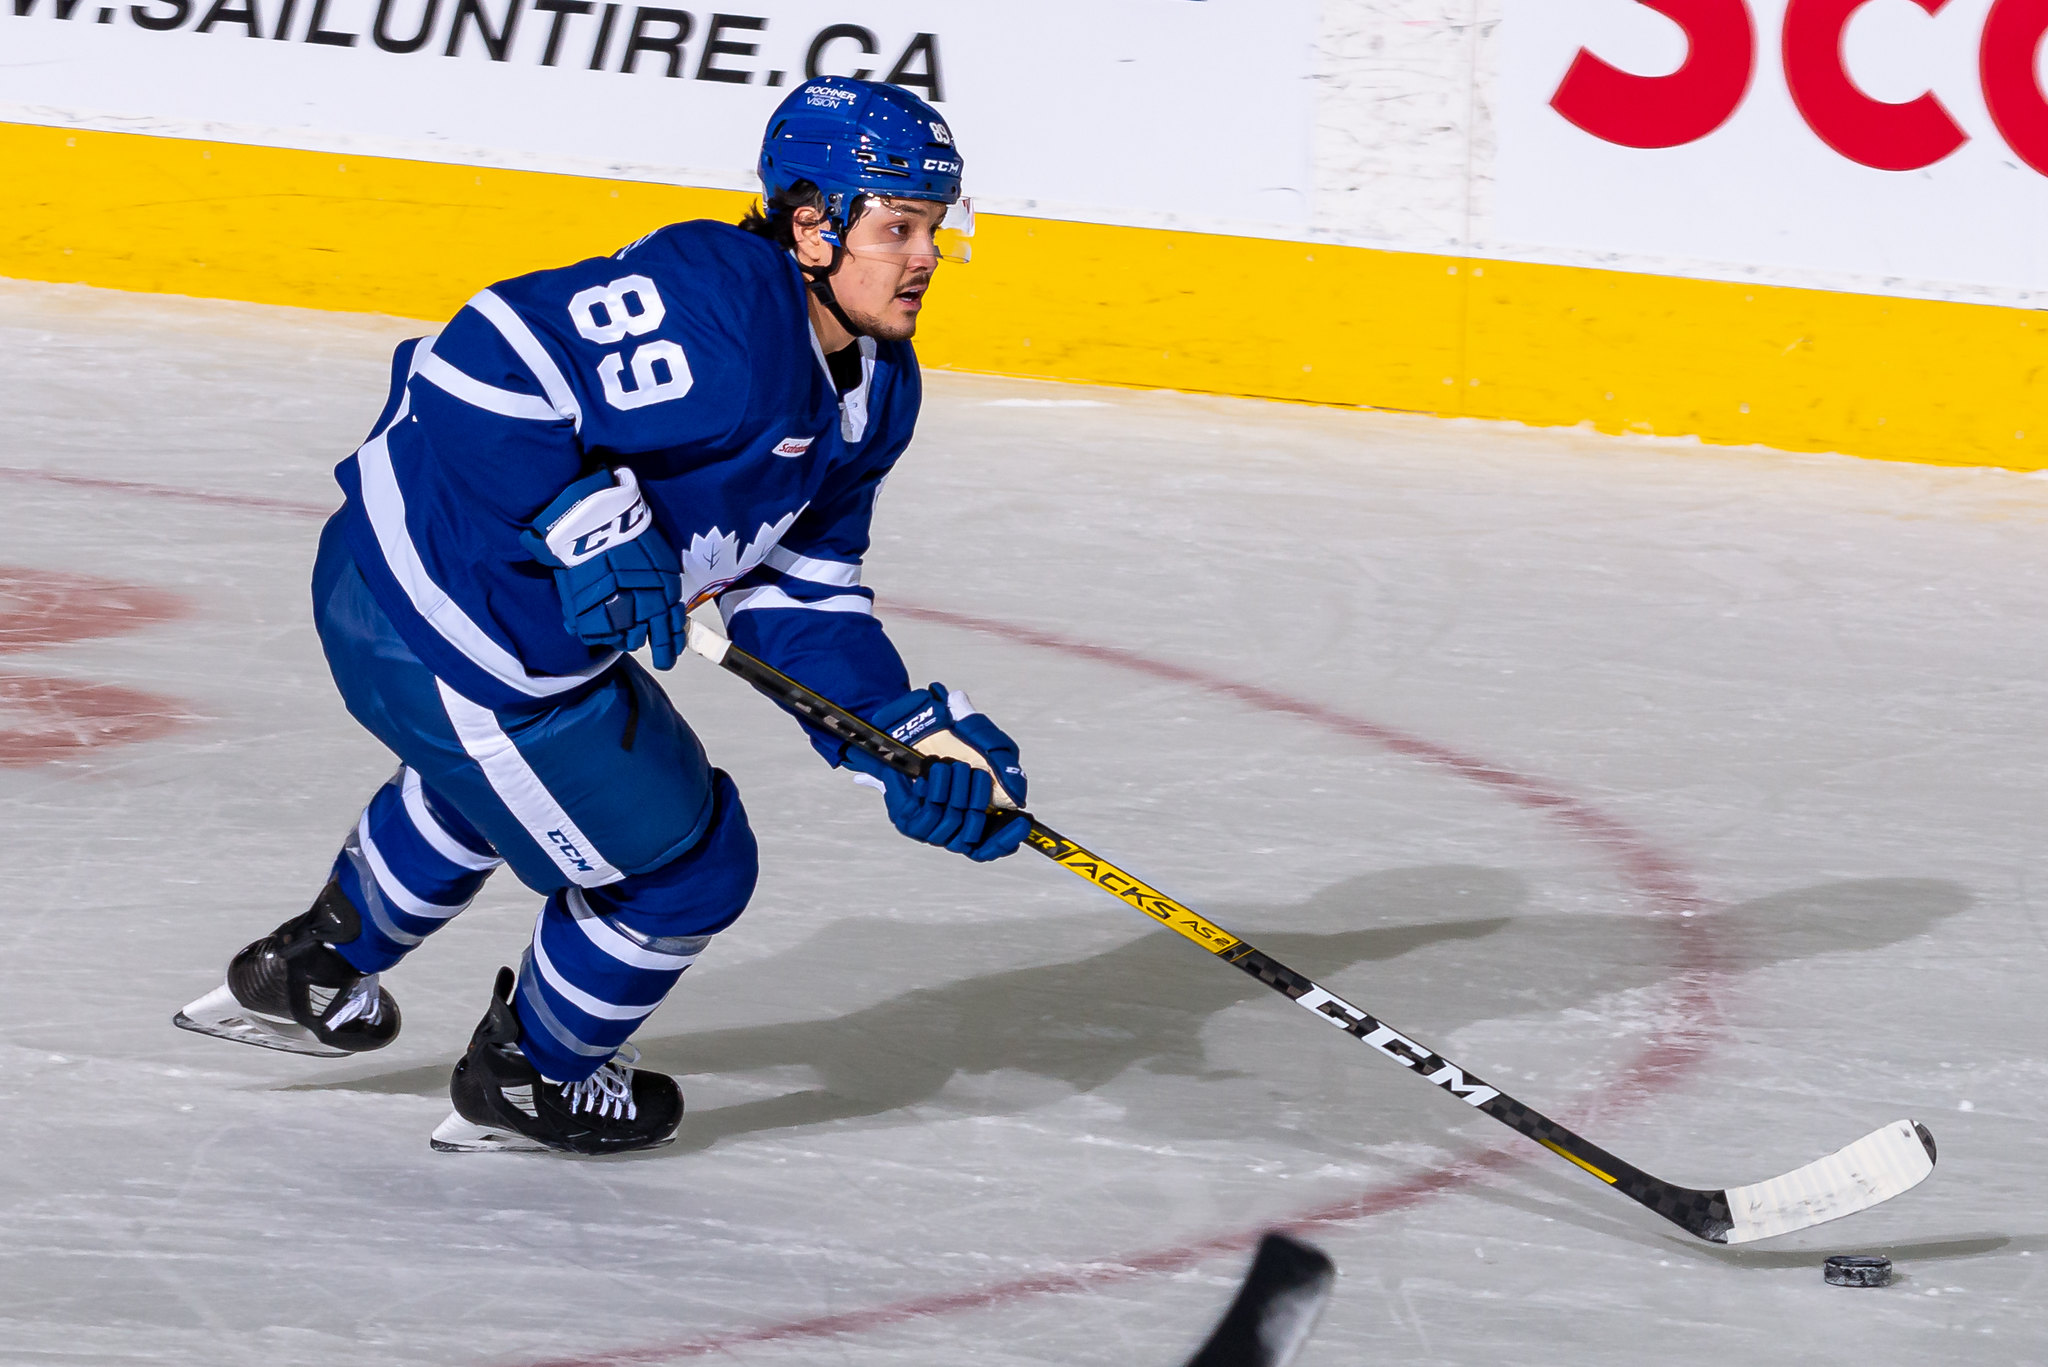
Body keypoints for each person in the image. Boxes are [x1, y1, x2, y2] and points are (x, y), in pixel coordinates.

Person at [174, 76, 1028, 1155]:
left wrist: (901, 733)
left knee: (512, 787)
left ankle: (315, 963)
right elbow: (479, 360)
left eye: (933, 231)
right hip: (447, 618)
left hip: (465, 624)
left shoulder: (873, 392)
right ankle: (532, 1075)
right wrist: (578, 513)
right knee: (692, 865)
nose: (921, 258)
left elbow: (796, 590)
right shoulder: (722, 306)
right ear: (811, 225)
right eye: (896, 225)